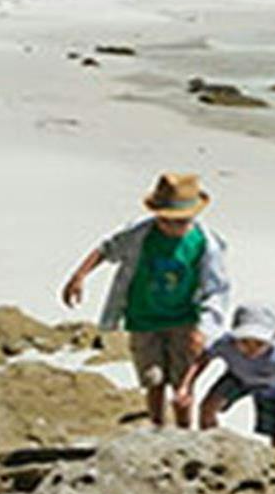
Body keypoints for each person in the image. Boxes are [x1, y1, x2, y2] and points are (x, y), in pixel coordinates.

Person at [60, 172, 230, 428]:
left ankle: (185, 433)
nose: (175, 227)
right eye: (168, 221)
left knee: (182, 383)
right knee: (153, 379)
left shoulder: (204, 243)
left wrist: (204, 329)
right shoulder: (141, 233)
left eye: (182, 222)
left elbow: (216, 288)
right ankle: (157, 427)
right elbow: (107, 248)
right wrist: (79, 276)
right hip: (143, 318)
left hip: (184, 319)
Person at [178, 301, 275, 446]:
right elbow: (202, 360)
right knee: (208, 407)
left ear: (273, 338)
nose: (251, 349)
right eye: (244, 342)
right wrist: (185, 386)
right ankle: (211, 444)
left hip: (271, 388)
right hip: (239, 377)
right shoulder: (225, 343)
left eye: (259, 344)